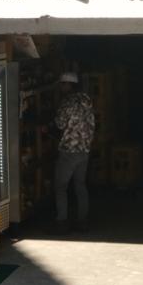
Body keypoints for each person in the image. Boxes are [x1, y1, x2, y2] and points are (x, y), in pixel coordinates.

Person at [53, 71, 95, 233]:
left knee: (61, 186)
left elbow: (60, 124)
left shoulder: (67, 102)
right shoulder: (87, 100)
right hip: (84, 149)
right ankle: (82, 221)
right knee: (80, 185)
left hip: (69, 150)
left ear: (69, 85)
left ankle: (61, 222)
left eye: (62, 84)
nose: (61, 88)